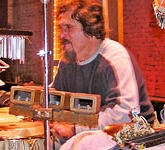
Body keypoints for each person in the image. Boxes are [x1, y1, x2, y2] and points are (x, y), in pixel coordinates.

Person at [50, 0, 155, 148]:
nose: (62, 35)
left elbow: (124, 113)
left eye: (69, 28)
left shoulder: (115, 57)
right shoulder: (68, 59)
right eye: (61, 28)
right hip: (88, 132)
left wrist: (75, 128)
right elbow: (56, 97)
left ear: (92, 31)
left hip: (133, 137)